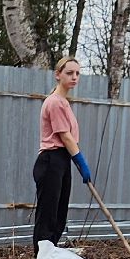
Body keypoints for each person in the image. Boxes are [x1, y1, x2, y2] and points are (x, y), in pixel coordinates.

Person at [32, 56, 92, 246]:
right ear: (58, 75)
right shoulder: (55, 102)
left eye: (77, 73)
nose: (74, 77)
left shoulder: (64, 102)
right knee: (48, 214)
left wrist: (73, 160)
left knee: (59, 214)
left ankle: (51, 255)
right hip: (51, 160)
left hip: (62, 160)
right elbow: (65, 137)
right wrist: (80, 161)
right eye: (69, 73)